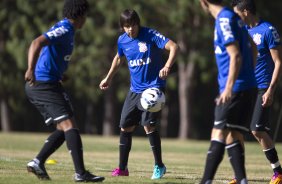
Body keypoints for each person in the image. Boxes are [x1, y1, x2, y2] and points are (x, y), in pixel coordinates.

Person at [24, 0, 105, 182]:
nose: (86, 20)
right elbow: (37, 42)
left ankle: (37, 162)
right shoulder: (65, 29)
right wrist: (30, 68)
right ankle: (80, 174)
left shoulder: (68, 30)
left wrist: (59, 73)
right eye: (85, 16)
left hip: (50, 82)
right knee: (70, 126)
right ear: (80, 16)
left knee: (64, 128)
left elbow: (51, 53)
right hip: (43, 84)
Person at [99, 9, 178, 180]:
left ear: (138, 23)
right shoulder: (122, 40)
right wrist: (108, 78)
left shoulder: (150, 34)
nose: (130, 29)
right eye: (126, 26)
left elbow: (173, 46)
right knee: (125, 127)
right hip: (135, 90)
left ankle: (159, 166)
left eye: (132, 25)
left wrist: (167, 66)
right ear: (122, 27)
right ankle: (122, 168)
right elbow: (119, 58)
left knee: (148, 125)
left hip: (153, 88)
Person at [199, 0, 257, 183]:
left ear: (204, 2)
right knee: (234, 135)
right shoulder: (234, 17)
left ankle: (205, 181)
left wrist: (229, 88)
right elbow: (253, 46)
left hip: (234, 89)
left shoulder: (223, 19)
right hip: (248, 86)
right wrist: (249, 73)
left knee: (218, 133)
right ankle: (242, 180)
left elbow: (235, 54)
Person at [231, 0, 282, 183]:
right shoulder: (243, 32)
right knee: (235, 131)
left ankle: (278, 172)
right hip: (245, 87)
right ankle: (239, 175)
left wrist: (270, 90)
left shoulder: (268, 30)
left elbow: (278, 62)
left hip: (262, 88)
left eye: (237, 14)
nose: (235, 18)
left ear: (245, 12)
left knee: (257, 130)